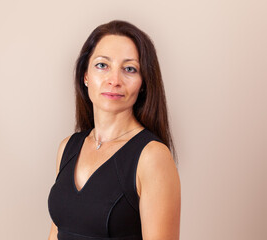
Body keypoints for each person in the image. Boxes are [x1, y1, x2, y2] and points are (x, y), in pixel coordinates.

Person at [48, 20, 180, 240]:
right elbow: (56, 232)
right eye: (102, 65)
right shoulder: (67, 148)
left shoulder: (152, 157)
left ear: (143, 83)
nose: (114, 80)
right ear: (86, 76)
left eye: (129, 69)